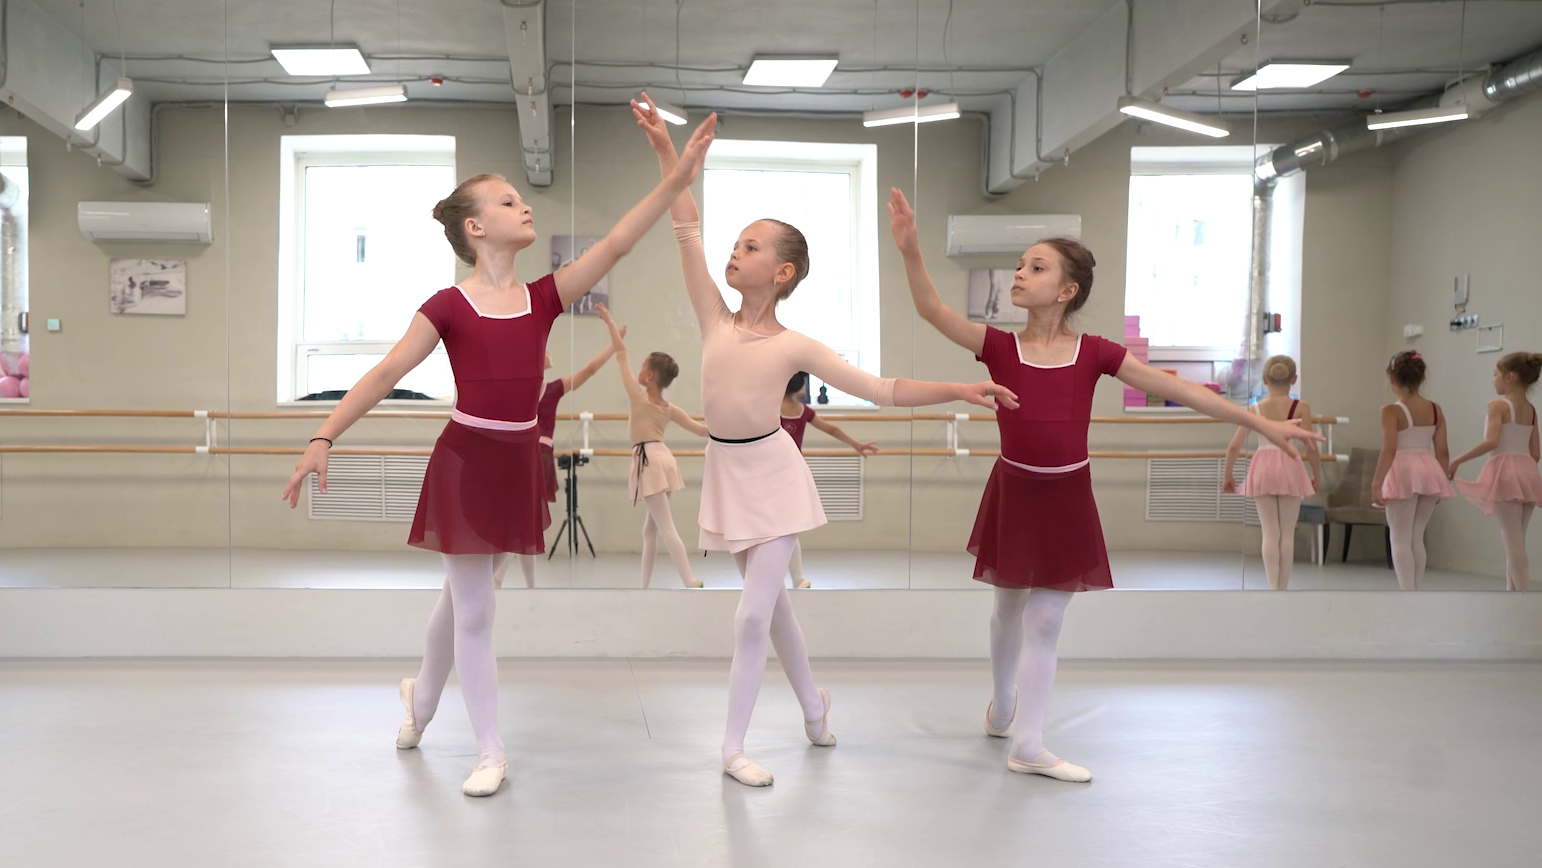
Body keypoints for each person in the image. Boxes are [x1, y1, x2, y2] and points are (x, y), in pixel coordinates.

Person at [279, 115, 717, 797]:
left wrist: (675, 175)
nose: (525, 206)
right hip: (465, 460)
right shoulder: (448, 306)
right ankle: (490, 751)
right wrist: (321, 437)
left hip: (515, 463)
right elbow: (387, 372)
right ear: (476, 227)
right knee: (477, 611)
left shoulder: (544, 297)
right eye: (509, 201)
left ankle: (420, 701)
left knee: (460, 600)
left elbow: (620, 242)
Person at [635, 93, 1019, 787]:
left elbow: (880, 388)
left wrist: (958, 389)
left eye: (751, 246)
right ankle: (815, 708)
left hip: (774, 477)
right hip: (728, 473)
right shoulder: (714, 319)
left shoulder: (797, 345)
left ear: (781, 273)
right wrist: (668, 151)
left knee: (751, 616)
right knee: (775, 612)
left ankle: (732, 748)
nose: (734, 252)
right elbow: (685, 228)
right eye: (737, 243)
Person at [888, 187, 1323, 782]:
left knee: (1046, 620)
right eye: (1020, 265)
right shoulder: (999, 346)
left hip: (1068, 496)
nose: (1020, 274)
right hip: (1016, 491)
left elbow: (1178, 388)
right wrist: (911, 250)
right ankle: (1003, 703)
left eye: (1036, 267)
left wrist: (1259, 422)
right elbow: (932, 310)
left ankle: (1029, 745)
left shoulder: (1094, 353)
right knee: (1007, 606)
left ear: (1066, 291)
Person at [594, 303, 709, 588]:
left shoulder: (638, 397)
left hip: (651, 463)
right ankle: (644, 586)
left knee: (665, 527)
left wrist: (610, 322)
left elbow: (621, 355)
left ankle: (689, 579)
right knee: (651, 529)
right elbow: (702, 430)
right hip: (663, 460)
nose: (638, 368)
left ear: (649, 376)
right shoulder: (670, 408)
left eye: (643, 365)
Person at [494, 342, 619, 589]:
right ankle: (505, 580)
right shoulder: (527, 389)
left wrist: (613, 346)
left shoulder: (548, 389)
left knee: (525, 522)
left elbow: (589, 370)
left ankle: (511, 581)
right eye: (545, 349)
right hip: (527, 455)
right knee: (524, 523)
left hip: (533, 455)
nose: (549, 351)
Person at [1223, 355, 1322, 590]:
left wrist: (1228, 475)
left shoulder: (1254, 409)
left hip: (1263, 466)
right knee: (1287, 533)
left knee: (1270, 532)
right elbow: (1311, 445)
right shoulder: (1301, 407)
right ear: (1294, 379)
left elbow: (1234, 446)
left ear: (1265, 379)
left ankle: (1272, 587)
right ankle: (1282, 588)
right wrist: (1317, 475)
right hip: (1290, 464)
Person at [1448, 352, 1542, 591]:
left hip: (1506, 473)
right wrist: (1523, 468)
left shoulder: (1497, 405)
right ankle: (1512, 594)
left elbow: (1491, 441)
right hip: (1528, 473)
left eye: (1495, 374)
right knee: (1517, 539)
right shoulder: (1531, 410)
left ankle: (1525, 597)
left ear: (1509, 377)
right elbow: (1536, 453)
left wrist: (1457, 459)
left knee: (1512, 541)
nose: (1493, 380)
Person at [779, 371, 879, 588]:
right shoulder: (802, 410)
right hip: (791, 473)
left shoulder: (772, 408)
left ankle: (790, 578)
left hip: (776, 472)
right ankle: (796, 578)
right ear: (798, 387)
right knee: (788, 528)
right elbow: (831, 428)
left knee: (781, 528)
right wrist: (856, 444)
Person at [1370, 351, 1454, 591]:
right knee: (1417, 536)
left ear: (1391, 380)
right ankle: (1416, 591)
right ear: (1422, 377)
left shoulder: (1391, 411)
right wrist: (1442, 482)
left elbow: (1389, 449)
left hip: (1404, 470)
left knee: (1399, 537)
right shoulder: (1435, 409)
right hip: (1429, 470)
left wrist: (1376, 483)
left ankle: (1407, 593)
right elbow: (1443, 452)